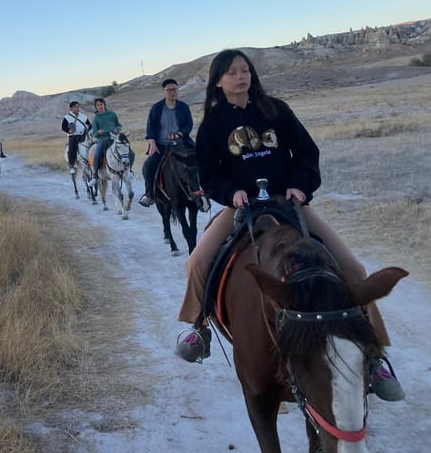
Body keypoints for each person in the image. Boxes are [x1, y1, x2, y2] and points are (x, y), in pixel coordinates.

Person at [174, 49, 404, 402]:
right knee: (197, 261)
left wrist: (301, 185)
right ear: (218, 81)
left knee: (353, 268)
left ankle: (374, 356)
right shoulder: (213, 125)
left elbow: (307, 153)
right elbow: (209, 174)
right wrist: (232, 192)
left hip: (289, 203)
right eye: (233, 72)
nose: (241, 76)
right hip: (243, 209)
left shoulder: (276, 110)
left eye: (245, 70)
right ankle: (200, 327)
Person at [138, 78, 194, 207]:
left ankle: (202, 191)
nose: (173, 92)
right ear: (164, 92)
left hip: (181, 143)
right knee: (149, 165)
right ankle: (149, 195)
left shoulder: (183, 107)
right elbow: (150, 127)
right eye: (169, 90)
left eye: (175, 89)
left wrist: (180, 133)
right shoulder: (157, 108)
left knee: (198, 159)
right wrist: (152, 144)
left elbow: (188, 124)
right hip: (161, 145)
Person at [87, 97, 122, 187]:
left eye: (101, 104)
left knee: (128, 151)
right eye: (97, 105)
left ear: (104, 105)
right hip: (102, 140)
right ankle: (95, 176)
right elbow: (94, 133)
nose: (100, 107)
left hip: (113, 138)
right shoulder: (96, 119)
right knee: (97, 154)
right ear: (96, 107)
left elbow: (119, 125)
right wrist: (98, 132)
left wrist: (116, 129)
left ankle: (129, 170)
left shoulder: (112, 114)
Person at [61, 101, 92, 174]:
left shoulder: (83, 116)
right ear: (71, 108)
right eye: (75, 107)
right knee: (72, 149)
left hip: (83, 135)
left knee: (91, 145)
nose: (77, 108)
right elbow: (63, 127)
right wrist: (69, 130)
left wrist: (87, 130)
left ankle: (92, 162)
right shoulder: (67, 117)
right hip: (73, 136)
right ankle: (72, 165)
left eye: (78, 106)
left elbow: (90, 125)